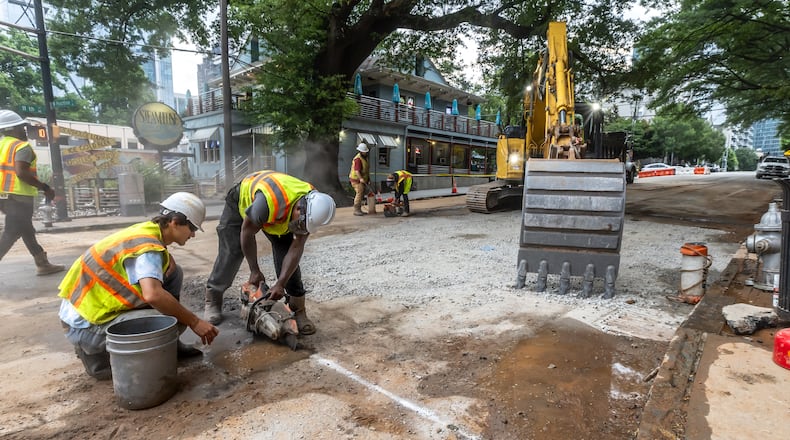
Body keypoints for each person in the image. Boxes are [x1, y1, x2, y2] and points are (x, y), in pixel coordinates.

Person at [57, 192, 219, 380]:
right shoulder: (148, 249)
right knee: (174, 320)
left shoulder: (147, 231)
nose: (192, 234)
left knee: (174, 274)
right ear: (174, 222)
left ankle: (170, 346)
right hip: (84, 326)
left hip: (84, 310)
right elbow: (153, 295)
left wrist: (166, 260)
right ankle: (96, 358)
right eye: (192, 228)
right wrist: (195, 322)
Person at [204, 170, 336, 331]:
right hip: (242, 200)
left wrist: (280, 283)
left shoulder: (312, 207)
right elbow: (247, 233)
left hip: (278, 213)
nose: (301, 230)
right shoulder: (266, 205)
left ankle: (298, 309)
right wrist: (254, 270)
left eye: (305, 227)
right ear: (299, 210)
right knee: (232, 250)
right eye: (301, 225)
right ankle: (213, 298)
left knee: (286, 257)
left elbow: (296, 248)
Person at [0, 110, 65, 275]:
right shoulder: (21, 146)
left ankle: (42, 264)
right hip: (18, 197)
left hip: (3, 196)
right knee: (12, 233)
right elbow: (21, 172)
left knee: (26, 230)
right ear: (13, 129)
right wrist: (45, 187)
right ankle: (43, 264)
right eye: (22, 127)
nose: (25, 130)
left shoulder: (2, 145)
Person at [348, 143, 370, 216]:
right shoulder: (358, 159)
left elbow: (366, 170)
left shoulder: (364, 158)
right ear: (361, 151)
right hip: (356, 180)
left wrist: (368, 179)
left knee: (361, 194)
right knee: (359, 193)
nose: (366, 152)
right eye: (365, 151)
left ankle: (359, 209)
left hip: (362, 179)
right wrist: (361, 178)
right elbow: (357, 171)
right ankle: (356, 210)